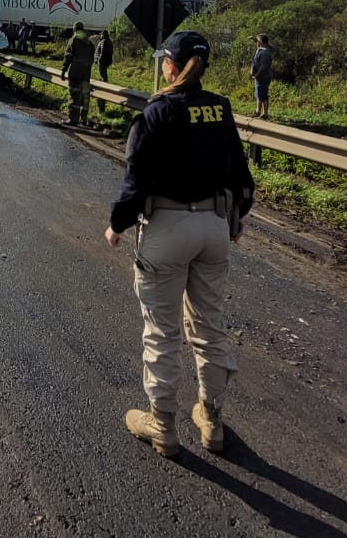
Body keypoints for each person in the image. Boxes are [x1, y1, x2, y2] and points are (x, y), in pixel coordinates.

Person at [105, 31, 255, 457]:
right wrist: (237, 215)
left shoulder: (157, 112)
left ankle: (163, 425)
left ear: (169, 65)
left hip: (168, 230)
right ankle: (211, 418)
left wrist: (117, 223)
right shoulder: (220, 109)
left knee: (163, 332)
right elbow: (240, 174)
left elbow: (135, 179)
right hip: (214, 228)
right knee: (209, 329)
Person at [61, 20, 95, 126]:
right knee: (85, 96)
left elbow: (68, 56)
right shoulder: (89, 42)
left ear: (74, 29)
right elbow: (92, 59)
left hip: (75, 73)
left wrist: (63, 70)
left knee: (74, 95)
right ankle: (84, 119)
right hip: (86, 74)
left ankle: (73, 119)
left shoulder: (74, 39)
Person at [250, 33, 274, 119]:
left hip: (263, 76)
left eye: (258, 40)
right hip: (259, 77)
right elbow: (258, 44)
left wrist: (256, 75)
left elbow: (263, 67)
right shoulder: (260, 49)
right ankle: (258, 111)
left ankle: (265, 114)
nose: (257, 42)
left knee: (263, 94)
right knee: (259, 94)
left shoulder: (265, 52)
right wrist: (254, 39)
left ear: (261, 41)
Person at [94, 28, 114, 114]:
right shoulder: (109, 41)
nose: (100, 36)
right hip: (106, 62)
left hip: (102, 63)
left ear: (103, 35)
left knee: (103, 76)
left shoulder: (104, 42)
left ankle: (104, 85)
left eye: (101, 34)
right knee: (103, 74)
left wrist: (99, 60)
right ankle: (103, 83)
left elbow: (102, 52)